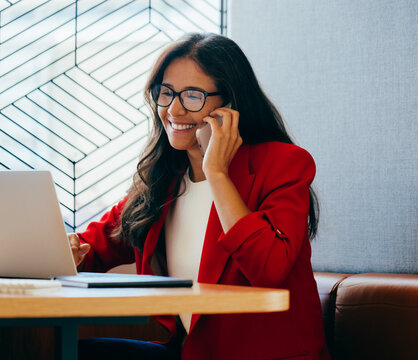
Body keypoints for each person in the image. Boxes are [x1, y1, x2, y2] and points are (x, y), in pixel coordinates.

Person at [72, 32, 329, 360]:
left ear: (230, 105)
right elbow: (94, 246)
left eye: (192, 96)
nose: (174, 109)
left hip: (265, 356)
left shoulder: (282, 164)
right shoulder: (162, 180)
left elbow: (267, 268)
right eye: (166, 93)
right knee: (81, 353)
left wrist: (218, 173)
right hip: (194, 353)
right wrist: (71, 249)